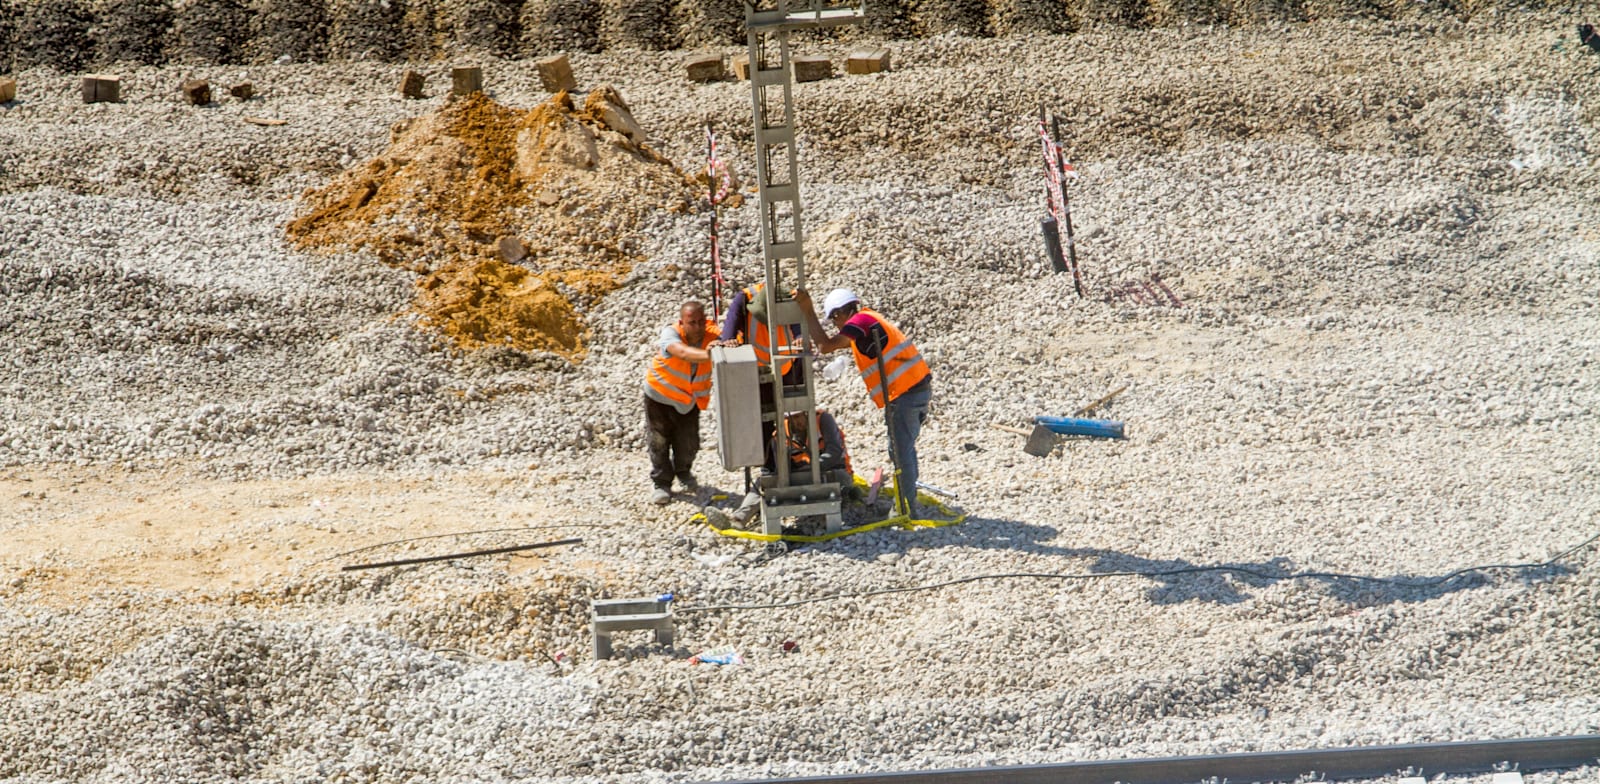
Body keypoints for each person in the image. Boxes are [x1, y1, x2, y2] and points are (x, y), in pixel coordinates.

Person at [793, 287, 932, 515]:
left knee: (901, 451)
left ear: (839, 313)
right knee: (900, 448)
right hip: (913, 390)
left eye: (834, 320)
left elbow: (825, 346)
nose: (836, 326)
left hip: (906, 393)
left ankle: (906, 509)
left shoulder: (861, 321)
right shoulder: (869, 321)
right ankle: (905, 502)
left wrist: (807, 310)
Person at [643, 301, 720, 506]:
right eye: (692, 323)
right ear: (682, 322)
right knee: (659, 441)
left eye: (701, 321)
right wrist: (710, 354)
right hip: (660, 395)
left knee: (688, 443)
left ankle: (683, 472)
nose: (697, 327)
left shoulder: (714, 336)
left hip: (688, 400)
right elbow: (683, 353)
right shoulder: (671, 333)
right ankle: (661, 483)